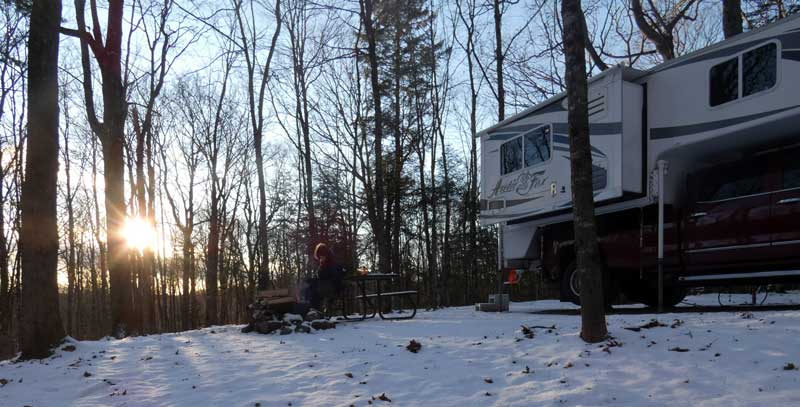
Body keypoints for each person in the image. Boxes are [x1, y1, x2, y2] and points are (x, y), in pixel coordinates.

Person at [305, 243, 344, 310]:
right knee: (307, 289)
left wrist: (316, 280)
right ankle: (311, 308)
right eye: (319, 257)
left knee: (312, 291)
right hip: (325, 286)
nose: (320, 258)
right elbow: (321, 276)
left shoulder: (332, 263)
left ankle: (314, 309)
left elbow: (328, 276)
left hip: (331, 287)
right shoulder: (324, 263)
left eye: (321, 256)